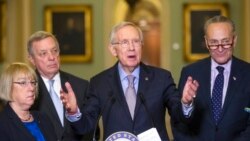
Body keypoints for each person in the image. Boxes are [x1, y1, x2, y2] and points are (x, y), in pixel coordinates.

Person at [60, 22, 198, 140]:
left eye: (136, 41)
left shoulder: (161, 78)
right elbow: (86, 126)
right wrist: (74, 113)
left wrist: (185, 104)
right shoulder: (99, 83)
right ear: (113, 50)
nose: (132, 47)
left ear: (142, 46)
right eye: (125, 42)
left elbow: (179, 115)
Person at [172, 15, 250, 141]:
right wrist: (185, 105)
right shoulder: (190, 73)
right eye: (213, 43)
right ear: (206, 42)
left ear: (234, 40)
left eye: (225, 42)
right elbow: (179, 124)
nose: (220, 49)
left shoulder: (247, 73)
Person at [27, 31, 96, 141]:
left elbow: (93, 129)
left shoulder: (81, 86)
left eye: (55, 51)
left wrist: (75, 114)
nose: (52, 57)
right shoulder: (27, 90)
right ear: (31, 59)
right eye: (43, 53)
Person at [0, 62, 57, 141]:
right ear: (8, 87)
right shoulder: (3, 123)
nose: (31, 88)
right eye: (23, 83)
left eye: (33, 82)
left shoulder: (44, 118)